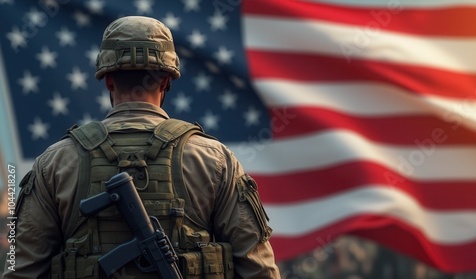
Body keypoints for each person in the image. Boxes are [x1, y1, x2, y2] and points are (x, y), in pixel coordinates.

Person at [3, 16, 280, 278]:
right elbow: (260, 269)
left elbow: (19, 268)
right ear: (166, 81)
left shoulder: (55, 161)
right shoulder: (215, 159)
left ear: (108, 80)